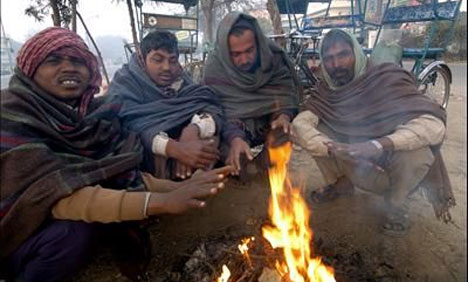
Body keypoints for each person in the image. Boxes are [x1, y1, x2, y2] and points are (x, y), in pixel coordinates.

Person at [0, 27, 233, 282]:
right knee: (72, 234)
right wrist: (163, 199)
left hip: (84, 204)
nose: (68, 68)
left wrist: (183, 187)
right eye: (53, 60)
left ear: (90, 70)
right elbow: (58, 196)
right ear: (30, 69)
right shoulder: (12, 117)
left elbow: (119, 173)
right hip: (16, 227)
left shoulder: (91, 116)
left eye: (77, 60)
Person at [292, 29, 455, 236]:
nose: (336, 64)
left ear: (357, 54)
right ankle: (342, 183)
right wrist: (334, 149)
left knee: (418, 153)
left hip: (389, 162)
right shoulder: (326, 90)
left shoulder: (386, 77)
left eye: (343, 55)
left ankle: (396, 203)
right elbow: (300, 124)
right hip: (354, 161)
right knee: (317, 128)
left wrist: (378, 145)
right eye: (329, 58)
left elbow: (433, 126)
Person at [106, 30, 224, 180]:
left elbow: (209, 105)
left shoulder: (181, 80)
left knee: (211, 136)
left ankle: (198, 184)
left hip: (190, 147)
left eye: (172, 60)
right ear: (142, 59)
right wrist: (176, 150)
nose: (167, 67)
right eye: (158, 60)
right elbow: (128, 123)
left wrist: (191, 131)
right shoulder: (125, 82)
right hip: (146, 164)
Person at [202, 12, 299, 177]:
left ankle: (263, 165)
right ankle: (240, 166)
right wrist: (235, 138)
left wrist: (283, 116)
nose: (245, 59)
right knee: (234, 162)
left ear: (258, 44)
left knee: (286, 133)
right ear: (226, 52)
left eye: (249, 50)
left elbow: (285, 95)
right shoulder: (215, 66)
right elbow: (214, 110)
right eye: (236, 54)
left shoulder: (273, 58)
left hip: (266, 124)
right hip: (233, 127)